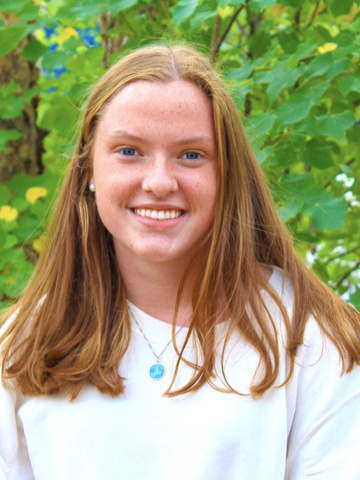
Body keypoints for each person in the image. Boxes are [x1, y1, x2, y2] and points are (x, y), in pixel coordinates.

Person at [1, 44, 360, 480]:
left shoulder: (313, 336)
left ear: (226, 174)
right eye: (129, 151)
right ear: (88, 169)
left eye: (191, 155)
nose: (158, 182)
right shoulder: (21, 349)